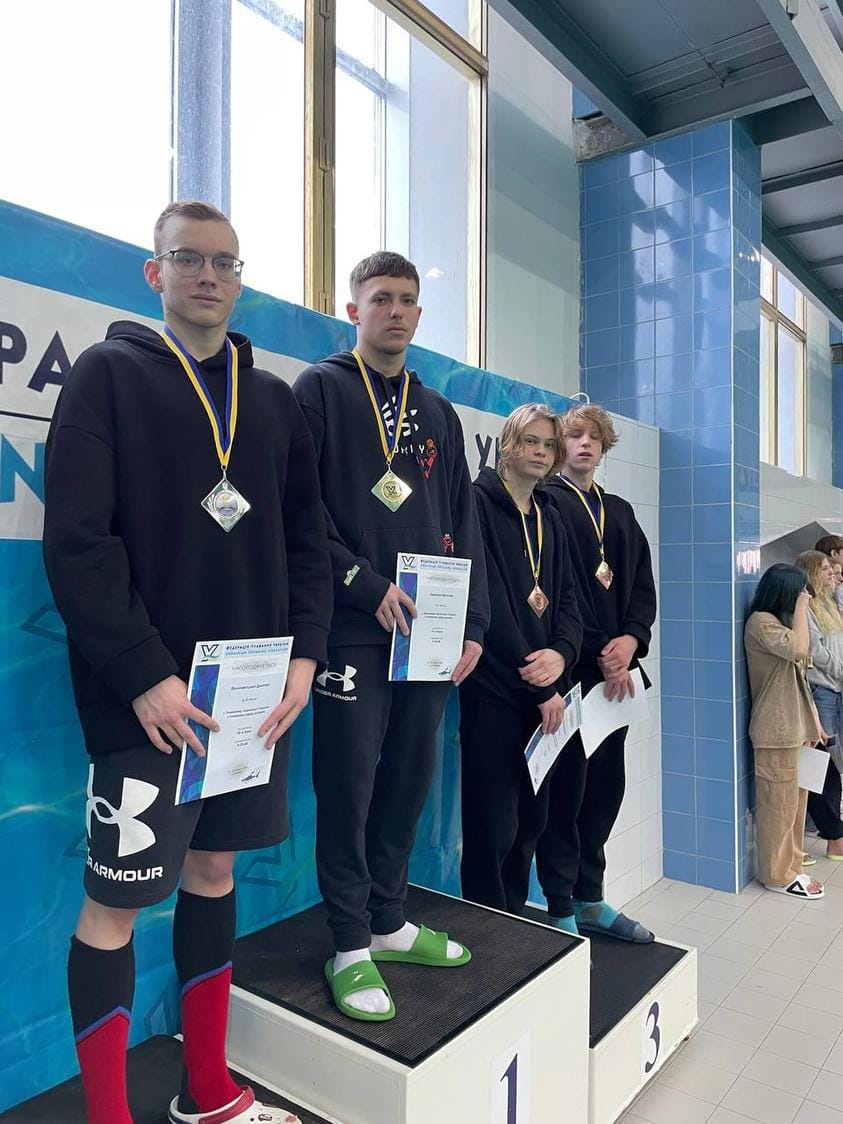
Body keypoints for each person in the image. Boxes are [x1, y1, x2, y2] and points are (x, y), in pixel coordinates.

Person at [43, 201, 332, 1124]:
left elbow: (308, 546)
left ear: (240, 279)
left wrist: (304, 658)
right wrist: (143, 672)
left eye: (225, 263)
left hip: (250, 701)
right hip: (147, 705)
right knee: (114, 907)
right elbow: (78, 543)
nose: (208, 275)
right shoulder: (106, 376)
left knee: (214, 877)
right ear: (154, 272)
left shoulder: (274, 401)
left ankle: (207, 1092)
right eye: (188, 258)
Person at [293, 251, 489, 1022]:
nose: (396, 311)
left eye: (407, 299)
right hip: (353, 629)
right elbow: (298, 511)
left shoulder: (437, 411)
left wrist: (471, 624)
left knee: (408, 779)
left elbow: (463, 521)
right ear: (354, 310)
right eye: (381, 299)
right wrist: (363, 584)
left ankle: (387, 918)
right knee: (348, 785)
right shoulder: (319, 390)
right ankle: (348, 943)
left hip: (427, 636)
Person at [535, 404, 656, 941]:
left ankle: (590, 896)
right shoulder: (546, 504)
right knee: (567, 792)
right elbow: (554, 591)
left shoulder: (621, 512)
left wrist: (630, 641)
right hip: (572, 675)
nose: (584, 443)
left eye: (594, 437)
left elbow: (642, 588)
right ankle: (559, 902)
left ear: (605, 447)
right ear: (559, 444)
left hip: (617, 680)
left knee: (607, 790)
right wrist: (596, 649)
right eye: (574, 435)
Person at [459, 404, 582, 915]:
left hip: (546, 697)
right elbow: (486, 602)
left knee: (533, 820)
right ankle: (486, 923)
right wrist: (542, 684)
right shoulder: (476, 503)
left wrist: (563, 653)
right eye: (531, 441)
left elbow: (570, 599)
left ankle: (513, 921)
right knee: (494, 823)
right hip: (496, 690)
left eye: (549, 445)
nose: (540, 452)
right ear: (509, 443)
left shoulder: (550, 515)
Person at [745, 564, 824, 899]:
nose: (805, 596)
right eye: (801, 591)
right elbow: (799, 651)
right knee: (777, 806)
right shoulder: (761, 622)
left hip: (794, 727)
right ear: (786, 592)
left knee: (794, 805)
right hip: (775, 730)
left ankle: (793, 865)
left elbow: (801, 672)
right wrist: (803, 608)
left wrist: (813, 722)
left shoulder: (781, 624)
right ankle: (777, 875)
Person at [794, 551, 843, 859]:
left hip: (835, 687)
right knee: (821, 762)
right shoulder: (806, 607)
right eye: (825, 569)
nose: (831, 574)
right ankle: (832, 832)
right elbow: (815, 650)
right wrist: (841, 669)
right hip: (821, 689)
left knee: (831, 764)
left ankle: (823, 828)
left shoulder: (829, 603)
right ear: (810, 572)